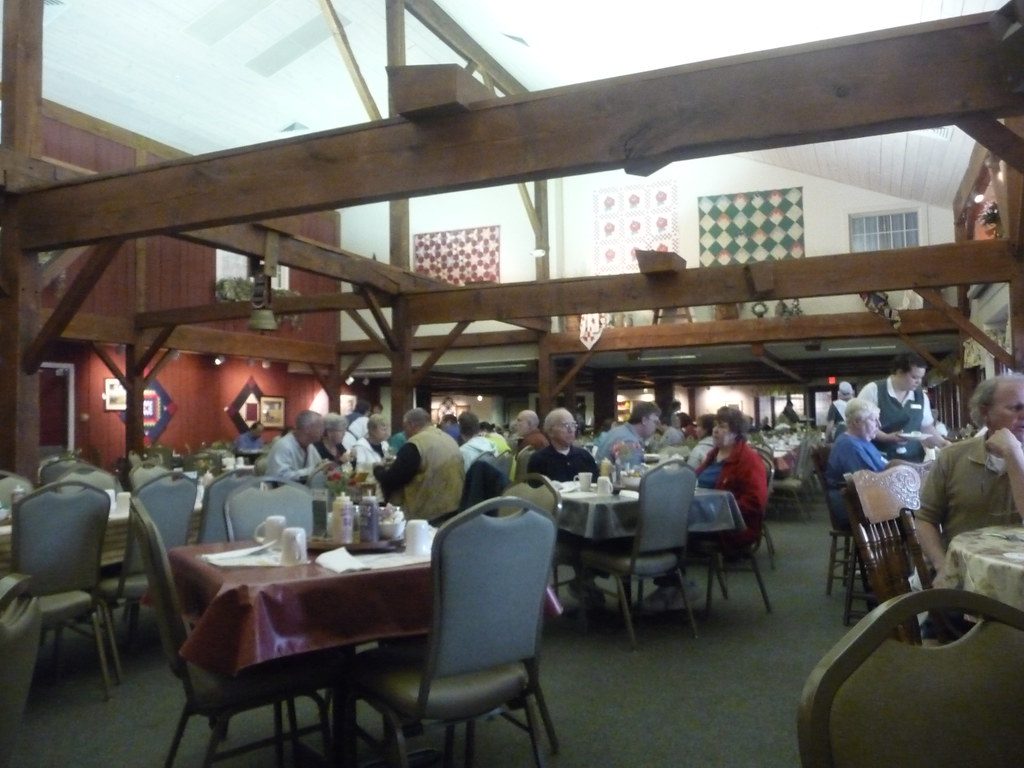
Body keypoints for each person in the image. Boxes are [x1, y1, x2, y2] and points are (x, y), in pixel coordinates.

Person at [648, 406, 766, 612]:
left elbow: (756, 502)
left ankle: (677, 586)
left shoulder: (748, 459)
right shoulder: (714, 454)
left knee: (667, 534)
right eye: (715, 426)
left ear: (736, 432)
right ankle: (673, 585)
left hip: (730, 526)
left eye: (722, 427)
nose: (715, 430)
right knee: (657, 526)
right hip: (700, 518)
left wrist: (719, 510)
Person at [919, 374, 1024, 586]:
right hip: (966, 580)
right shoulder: (952, 457)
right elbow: (925, 519)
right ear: (986, 412)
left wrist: (1014, 455)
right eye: (1016, 408)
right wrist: (942, 566)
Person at [373, 407, 465, 520]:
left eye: (404, 427)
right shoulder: (448, 439)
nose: (404, 432)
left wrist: (378, 469)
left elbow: (392, 479)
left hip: (427, 514)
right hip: (453, 509)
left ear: (411, 425)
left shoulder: (416, 444)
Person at [858, 353, 950, 462]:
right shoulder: (873, 390)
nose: (919, 382)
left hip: (913, 460)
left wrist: (943, 443)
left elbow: (926, 427)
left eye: (921, 377)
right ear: (899, 372)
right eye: (914, 377)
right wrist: (886, 438)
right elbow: (861, 425)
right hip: (878, 459)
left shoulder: (921, 396)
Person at [823, 398, 887, 526]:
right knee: (917, 514)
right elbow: (870, 481)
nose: (879, 425)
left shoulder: (861, 441)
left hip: (865, 501)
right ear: (857, 422)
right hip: (853, 508)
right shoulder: (849, 446)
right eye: (874, 420)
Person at [527, 408, 598, 482]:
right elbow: (534, 491)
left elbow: (596, 485)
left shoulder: (584, 456)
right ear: (550, 431)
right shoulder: (538, 460)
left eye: (573, 425)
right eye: (566, 425)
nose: (570, 430)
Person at [265, 409, 328, 481]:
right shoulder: (283, 446)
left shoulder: (310, 447)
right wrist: (312, 471)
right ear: (307, 428)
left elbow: (319, 468)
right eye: (320, 427)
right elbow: (280, 478)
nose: (323, 430)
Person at [595, 402, 661, 464]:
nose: (656, 427)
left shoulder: (618, 431)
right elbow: (630, 473)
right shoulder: (629, 441)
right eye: (655, 422)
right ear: (644, 420)